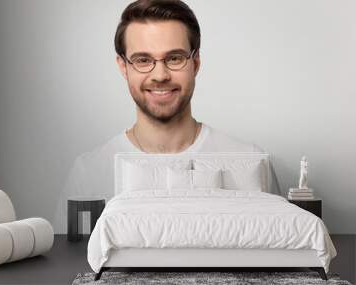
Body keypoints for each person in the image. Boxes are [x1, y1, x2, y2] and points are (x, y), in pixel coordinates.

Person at [53, 0, 281, 234]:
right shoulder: (88, 172)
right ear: (123, 66)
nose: (160, 75)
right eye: (143, 60)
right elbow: (71, 267)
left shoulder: (251, 161)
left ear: (196, 62)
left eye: (174, 58)